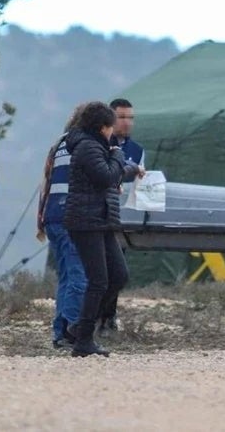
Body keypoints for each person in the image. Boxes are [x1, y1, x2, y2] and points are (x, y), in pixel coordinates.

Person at [64, 102, 141, 357]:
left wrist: (133, 169)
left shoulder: (98, 146)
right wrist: (119, 154)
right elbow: (107, 175)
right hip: (87, 222)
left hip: (103, 220)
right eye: (111, 127)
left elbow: (113, 171)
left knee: (118, 275)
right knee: (98, 280)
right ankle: (83, 341)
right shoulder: (87, 147)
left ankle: (80, 326)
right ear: (102, 127)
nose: (114, 132)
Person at [37, 103, 89, 350]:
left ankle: (59, 332)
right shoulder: (85, 145)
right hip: (72, 217)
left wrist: (41, 220)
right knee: (79, 275)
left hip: (52, 217)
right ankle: (72, 328)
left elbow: (46, 182)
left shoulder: (58, 144)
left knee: (66, 276)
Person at [96, 98, 146, 336]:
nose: (127, 122)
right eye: (122, 117)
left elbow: (140, 182)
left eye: (131, 118)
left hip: (123, 216)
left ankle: (108, 316)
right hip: (99, 214)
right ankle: (92, 317)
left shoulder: (137, 150)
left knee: (118, 269)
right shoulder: (100, 144)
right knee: (99, 269)